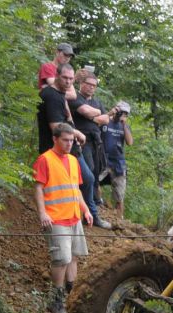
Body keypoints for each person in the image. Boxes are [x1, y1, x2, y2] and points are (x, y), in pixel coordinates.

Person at [37, 63, 110, 228]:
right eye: (65, 78)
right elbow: (56, 127)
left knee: (84, 179)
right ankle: (88, 215)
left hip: (69, 147)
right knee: (86, 178)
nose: (68, 82)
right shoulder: (52, 96)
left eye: (71, 79)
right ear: (56, 75)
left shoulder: (60, 94)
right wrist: (77, 133)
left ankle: (82, 214)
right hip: (58, 149)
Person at [32, 123, 93, 313]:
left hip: (74, 216)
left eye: (71, 140)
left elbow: (76, 189)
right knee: (61, 259)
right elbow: (38, 188)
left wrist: (86, 209)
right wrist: (43, 213)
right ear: (55, 139)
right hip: (56, 218)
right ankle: (56, 300)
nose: (69, 144)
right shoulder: (45, 159)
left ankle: (71, 295)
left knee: (74, 256)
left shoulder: (74, 160)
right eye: (65, 140)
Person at [69, 69, 112, 221]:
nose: (91, 87)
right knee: (88, 173)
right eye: (88, 84)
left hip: (96, 142)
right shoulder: (75, 97)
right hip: (82, 141)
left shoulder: (97, 102)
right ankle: (87, 210)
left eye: (94, 85)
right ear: (81, 83)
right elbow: (86, 111)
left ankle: (90, 208)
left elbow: (106, 119)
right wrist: (96, 116)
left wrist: (95, 115)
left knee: (95, 173)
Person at [99, 101, 133, 220]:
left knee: (119, 195)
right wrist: (110, 114)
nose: (122, 114)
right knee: (94, 182)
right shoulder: (105, 120)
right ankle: (99, 208)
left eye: (125, 113)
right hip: (102, 159)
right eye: (120, 111)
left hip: (118, 163)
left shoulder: (125, 126)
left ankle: (119, 220)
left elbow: (130, 142)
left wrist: (124, 125)